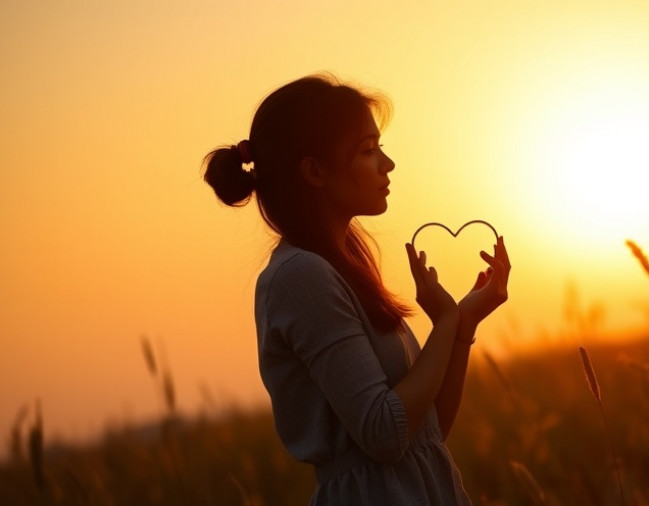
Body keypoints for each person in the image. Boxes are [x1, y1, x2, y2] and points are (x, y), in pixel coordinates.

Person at [203, 74, 511, 505]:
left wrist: (462, 325)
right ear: (315, 171)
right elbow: (384, 434)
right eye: (368, 150)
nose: (387, 164)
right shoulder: (299, 277)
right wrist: (444, 321)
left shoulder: (342, 267)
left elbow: (429, 429)